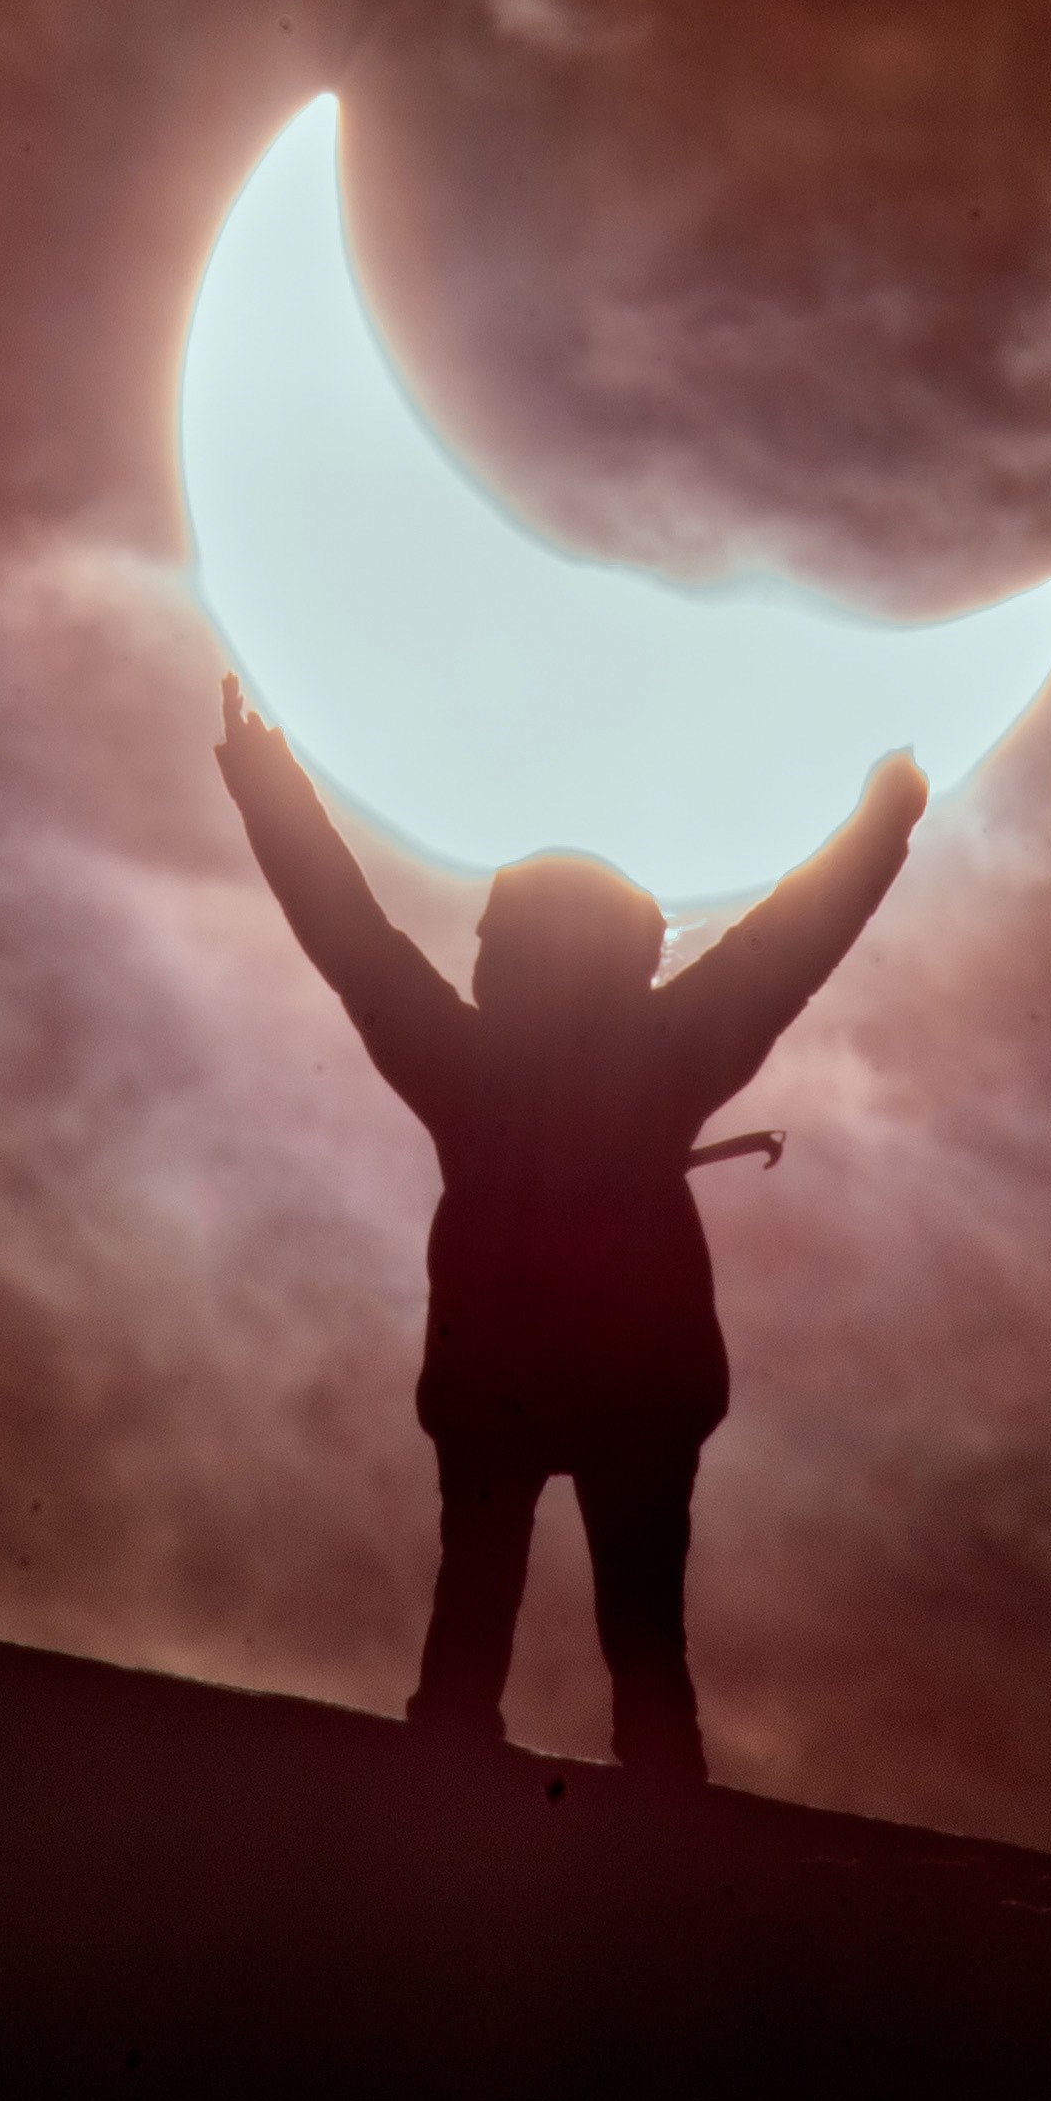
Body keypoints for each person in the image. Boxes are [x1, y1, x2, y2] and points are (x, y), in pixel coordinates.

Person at [215, 675, 927, 1782]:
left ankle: (458, 1795)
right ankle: (646, 1810)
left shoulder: (467, 1062)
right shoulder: (663, 1054)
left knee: (485, 1619)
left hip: (510, 1379)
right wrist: (881, 828)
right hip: (635, 1384)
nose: (481, 950)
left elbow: (353, 938)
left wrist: (270, 793)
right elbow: (789, 942)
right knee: (640, 1643)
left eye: (497, 933)